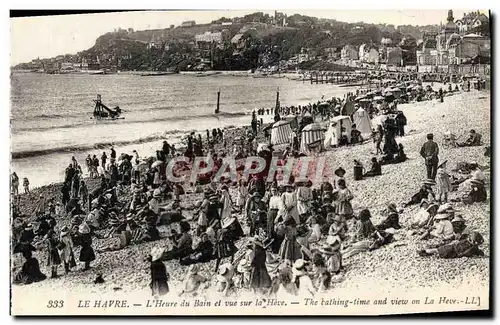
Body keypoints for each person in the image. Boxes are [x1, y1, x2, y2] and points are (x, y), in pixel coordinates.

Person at [418, 231, 485, 258]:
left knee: (436, 250)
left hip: (452, 248)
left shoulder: (467, 242)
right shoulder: (473, 248)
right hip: (453, 250)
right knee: (437, 250)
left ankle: (425, 251)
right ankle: (425, 251)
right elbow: (467, 253)